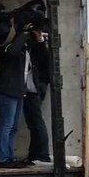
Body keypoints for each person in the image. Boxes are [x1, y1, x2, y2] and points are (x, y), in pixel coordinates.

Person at [0, 21, 31, 168]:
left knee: (13, 126)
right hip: (7, 90)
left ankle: (9, 155)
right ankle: (3, 157)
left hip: (19, 90)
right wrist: (23, 34)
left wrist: (36, 37)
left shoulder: (23, 48)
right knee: (6, 125)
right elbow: (12, 53)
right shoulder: (6, 47)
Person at [22, 27, 52, 164]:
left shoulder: (35, 46)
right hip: (36, 86)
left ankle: (40, 154)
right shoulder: (38, 45)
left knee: (35, 122)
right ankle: (36, 154)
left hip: (33, 88)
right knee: (34, 122)